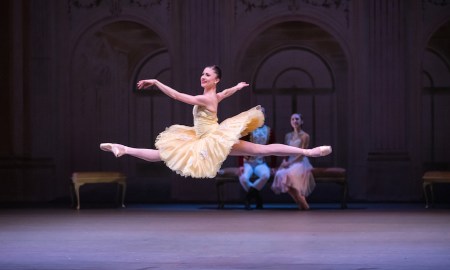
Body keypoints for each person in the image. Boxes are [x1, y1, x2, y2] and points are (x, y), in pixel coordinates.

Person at [100, 65, 331, 179]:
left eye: (207, 75)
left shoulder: (204, 97)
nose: (203, 76)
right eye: (202, 74)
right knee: (163, 154)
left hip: (212, 138)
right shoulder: (213, 95)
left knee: (262, 149)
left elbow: (177, 96)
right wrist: (236, 88)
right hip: (203, 137)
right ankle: (123, 149)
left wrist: (156, 82)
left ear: (215, 80)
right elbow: (224, 94)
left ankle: (310, 152)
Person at [271, 113, 316, 210]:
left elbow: (303, 152)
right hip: (290, 161)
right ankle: (300, 202)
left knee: (289, 175)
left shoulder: (305, 136)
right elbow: (286, 151)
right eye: (292, 119)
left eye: (297, 119)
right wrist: (284, 162)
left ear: (301, 121)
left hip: (300, 161)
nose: (295, 121)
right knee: (280, 174)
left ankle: (303, 202)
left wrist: (290, 163)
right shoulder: (288, 136)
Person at [238, 107, 272, 210]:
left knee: (266, 175)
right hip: (248, 162)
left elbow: (273, 148)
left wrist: (274, 165)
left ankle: (248, 197)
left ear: (265, 116)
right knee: (243, 178)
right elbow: (240, 147)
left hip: (260, 162)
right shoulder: (248, 129)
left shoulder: (269, 130)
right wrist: (240, 165)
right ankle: (257, 198)